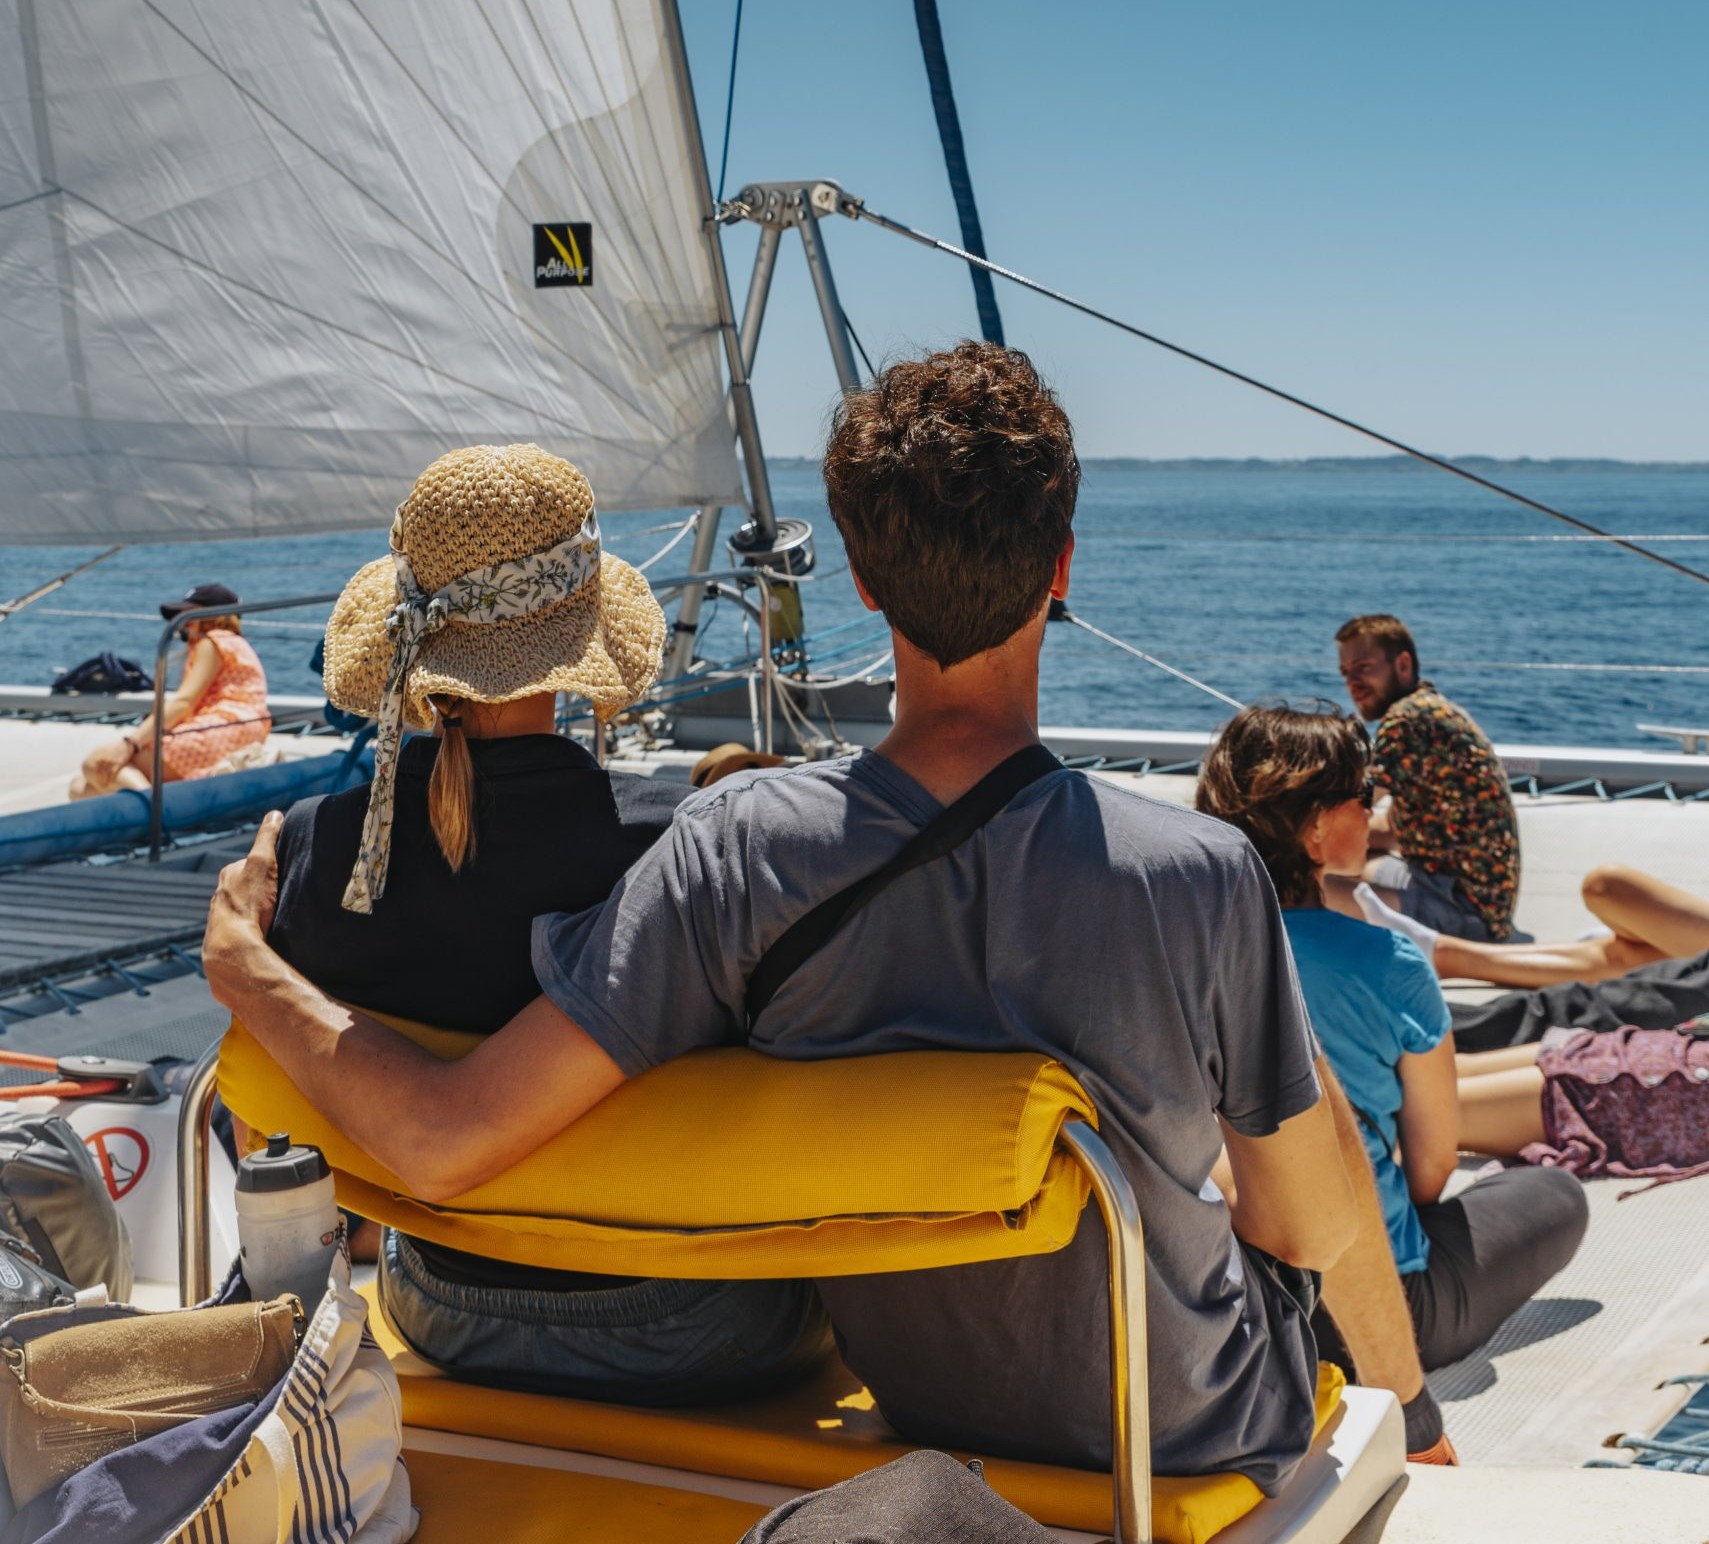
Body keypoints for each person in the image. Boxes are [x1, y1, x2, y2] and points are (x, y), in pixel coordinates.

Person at [205, 344, 1379, 1493]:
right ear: (1060, 566)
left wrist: (247, 965)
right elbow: (1303, 1229)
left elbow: (453, 1130)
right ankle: (1413, 1409)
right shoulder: (1201, 871)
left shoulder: (738, 848)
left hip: (911, 1394)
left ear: (862, 580)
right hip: (1166, 1419)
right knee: (1322, 1153)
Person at [264, 443, 830, 1405]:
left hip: (443, 1302)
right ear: (578, 647)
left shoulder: (320, 855)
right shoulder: (678, 850)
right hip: (687, 1321)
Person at [1196, 704, 1589, 1375]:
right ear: (1317, 828)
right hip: (1372, 1312)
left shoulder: (1176, 948)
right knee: (1554, 1193)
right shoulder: (1388, 962)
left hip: (1222, 1304)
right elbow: (1431, 1173)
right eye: (1363, 795)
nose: (1377, 806)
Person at [1331, 614, 1519, 941]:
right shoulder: (1432, 710)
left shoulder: (1407, 721)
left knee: (1304, 888)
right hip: (1480, 901)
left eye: (1363, 668)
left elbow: (1344, 816)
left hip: (1463, 910)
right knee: (1345, 861)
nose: (1353, 684)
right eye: (1346, 673)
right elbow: (1389, 830)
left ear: (1403, 665)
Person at [70, 582, 271, 799]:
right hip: (244, 731)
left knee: (94, 764)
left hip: (219, 730)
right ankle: (152, 811)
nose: (183, 626)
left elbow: (184, 703)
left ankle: (161, 814)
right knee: (80, 789)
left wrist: (130, 744)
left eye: (189, 616)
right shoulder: (236, 644)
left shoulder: (213, 639)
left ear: (213, 615)